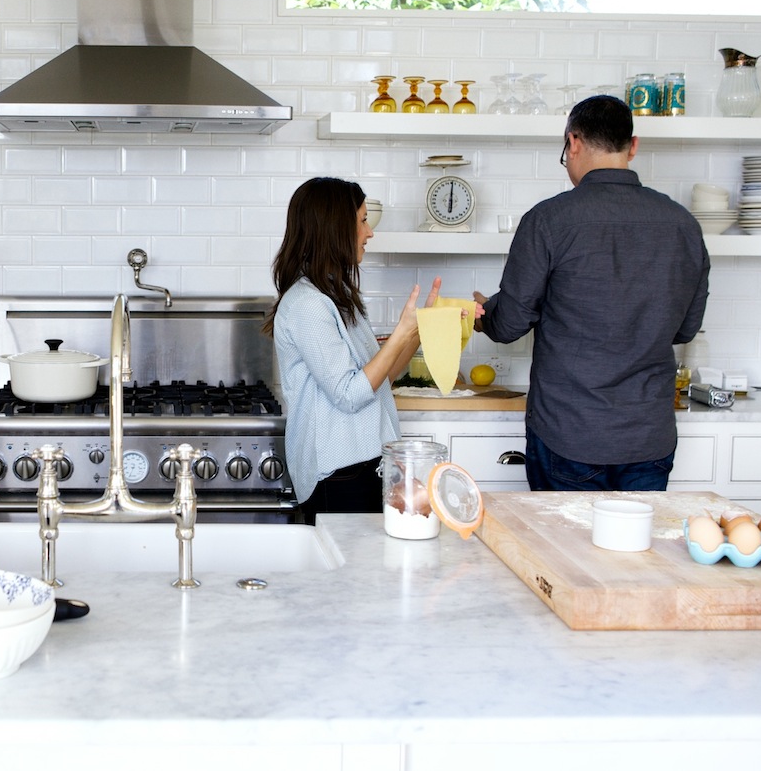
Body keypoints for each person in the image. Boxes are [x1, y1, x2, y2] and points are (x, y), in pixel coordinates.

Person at [473, 95, 710, 491]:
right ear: (632, 146)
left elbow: (510, 323)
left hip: (570, 433)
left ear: (574, 142)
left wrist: (485, 313)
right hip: (647, 437)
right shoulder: (683, 224)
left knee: (562, 553)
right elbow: (685, 329)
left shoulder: (548, 220)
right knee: (633, 553)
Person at [264, 176, 475, 523]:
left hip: (365, 465)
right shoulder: (307, 304)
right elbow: (349, 394)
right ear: (334, 228)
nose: (369, 232)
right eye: (362, 221)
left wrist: (422, 330)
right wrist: (400, 334)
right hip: (338, 473)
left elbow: (383, 377)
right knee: (348, 576)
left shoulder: (338, 295)